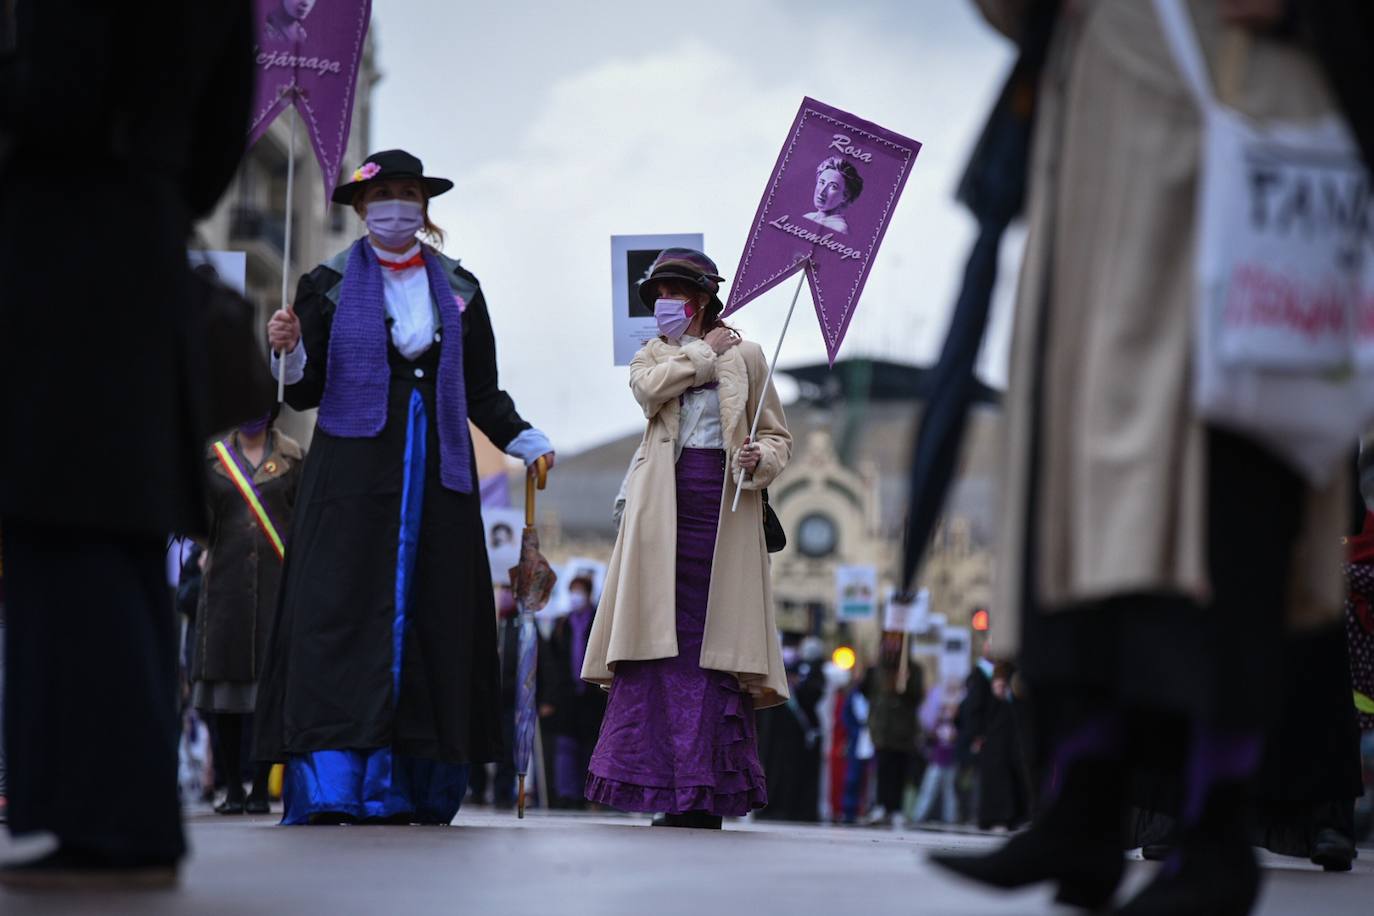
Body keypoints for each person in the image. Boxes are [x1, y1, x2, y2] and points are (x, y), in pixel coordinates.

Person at [932, 3, 1363, 914]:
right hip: (1099, 135)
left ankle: (1214, 830)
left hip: (1233, 118)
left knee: (1225, 493)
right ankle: (1084, 807)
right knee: (1084, 503)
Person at [0, 1, 253, 889]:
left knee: (60, 530)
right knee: (122, 535)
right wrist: (156, 189)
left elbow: (52, 91)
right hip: (142, 238)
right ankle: (123, 811)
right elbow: (227, 119)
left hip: (57, 247)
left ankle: (94, 815)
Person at [253, 149, 555, 826]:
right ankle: (336, 786)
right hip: (353, 477)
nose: (396, 205)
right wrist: (288, 348)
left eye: (408, 193)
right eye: (383, 194)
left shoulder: (461, 287)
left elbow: (480, 389)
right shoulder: (324, 283)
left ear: (425, 207)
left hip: (440, 476)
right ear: (361, 208)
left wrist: (524, 439)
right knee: (340, 613)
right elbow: (300, 388)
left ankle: (418, 785)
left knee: (438, 616)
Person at [581, 248, 792, 829]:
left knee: (712, 649)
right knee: (658, 645)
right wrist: (703, 353)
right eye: (657, 296)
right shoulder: (652, 356)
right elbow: (651, 392)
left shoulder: (748, 356)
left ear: (700, 298)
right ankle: (661, 787)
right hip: (661, 512)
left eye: (673, 293)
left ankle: (708, 792)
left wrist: (759, 459)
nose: (662, 306)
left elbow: (777, 436)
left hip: (722, 507)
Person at [191, 411, 304, 816]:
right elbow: (194, 514)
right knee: (226, 692)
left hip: (276, 586)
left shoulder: (294, 458)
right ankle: (232, 787)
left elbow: (303, 519)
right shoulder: (212, 459)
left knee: (267, 695)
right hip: (224, 587)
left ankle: (259, 787)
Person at [538, 576, 606, 808]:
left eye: (579, 591)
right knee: (566, 746)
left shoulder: (599, 620)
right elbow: (553, 663)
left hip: (592, 695)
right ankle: (567, 794)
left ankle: (590, 795)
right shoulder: (562, 624)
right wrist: (552, 696)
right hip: (567, 696)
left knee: (590, 746)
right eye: (572, 591)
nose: (575, 596)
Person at [866, 634, 923, 826]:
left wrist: (906, 682)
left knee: (900, 769)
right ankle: (881, 805)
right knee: (883, 769)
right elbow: (867, 691)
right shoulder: (878, 668)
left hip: (903, 731)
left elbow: (917, 696)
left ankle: (896, 808)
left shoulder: (913, 669)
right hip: (883, 729)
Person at [913, 704, 960, 825]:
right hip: (936, 762)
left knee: (949, 793)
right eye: (945, 710)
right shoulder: (937, 725)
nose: (948, 713)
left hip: (950, 763)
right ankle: (918, 816)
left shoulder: (958, 725)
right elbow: (928, 740)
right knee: (928, 790)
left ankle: (951, 819)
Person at [803, 157, 863, 234]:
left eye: (833, 186)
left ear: (845, 196)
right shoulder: (808, 216)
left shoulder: (839, 228)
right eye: (822, 182)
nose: (821, 192)